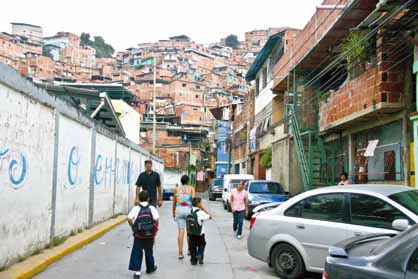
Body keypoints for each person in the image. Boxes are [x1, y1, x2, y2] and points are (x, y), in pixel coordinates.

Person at [128, 190, 159, 279]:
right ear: (148, 198)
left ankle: (137, 272)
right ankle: (150, 268)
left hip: (138, 234)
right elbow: (156, 220)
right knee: (149, 251)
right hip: (150, 234)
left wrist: (133, 228)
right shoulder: (152, 208)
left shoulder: (136, 208)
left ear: (139, 199)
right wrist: (155, 231)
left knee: (137, 251)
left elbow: (129, 219)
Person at [173, 175, 195, 259]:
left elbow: (174, 202)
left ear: (181, 181)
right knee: (189, 231)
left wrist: (173, 213)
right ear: (188, 181)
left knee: (181, 232)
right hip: (188, 210)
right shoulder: (191, 188)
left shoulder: (177, 189)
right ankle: (189, 250)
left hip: (179, 210)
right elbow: (193, 201)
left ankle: (180, 253)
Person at [187, 197, 212, 266]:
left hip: (191, 233)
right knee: (202, 244)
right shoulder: (200, 212)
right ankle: (200, 255)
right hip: (200, 233)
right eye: (201, 203)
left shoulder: (190, 211)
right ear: (198, 204)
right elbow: (210, 217)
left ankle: (193, 260)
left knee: (192, 247)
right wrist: (203, 208)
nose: (201, 204)